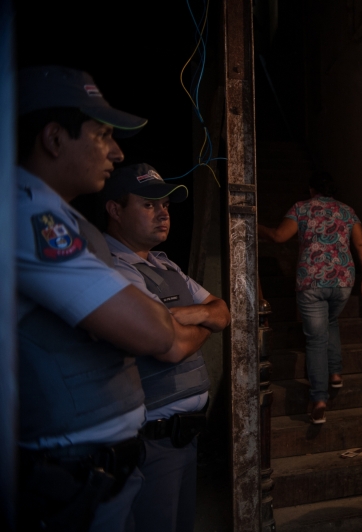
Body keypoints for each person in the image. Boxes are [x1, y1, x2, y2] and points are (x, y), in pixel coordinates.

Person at [15, 66, 176, 532]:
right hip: (72, 477)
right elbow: (155, 330)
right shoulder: (28, 214)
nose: (117, 150)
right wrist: (143, 315)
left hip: (96, 473)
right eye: (102, 134)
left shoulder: (59, 216)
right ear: (54, 138)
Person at [102, 163, 231, 532]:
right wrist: (203, 320)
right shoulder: (114, 269)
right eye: (148, 204)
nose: (163, 213)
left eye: (167, 206)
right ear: (115, 210)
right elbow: (170, 349)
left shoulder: (164, 263)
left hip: (184, 440)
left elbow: (223, 312)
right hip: (153, 442)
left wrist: (186, 316)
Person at [258, 171, 362, 423]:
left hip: (312, 281)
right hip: (343, 281)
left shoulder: (300, 208)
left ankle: (319, 397)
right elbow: (361, 245)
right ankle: (335, 373)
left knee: (315, 340)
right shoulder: (347, 211)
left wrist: (254, 226)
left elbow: (279, 236)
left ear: (312, 190)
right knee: (330, 322)